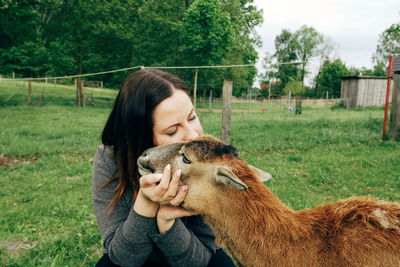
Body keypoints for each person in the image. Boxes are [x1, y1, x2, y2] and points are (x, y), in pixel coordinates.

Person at [92, 69, 235, 267]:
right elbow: (122, 258)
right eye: (172, 130)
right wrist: (146, 203)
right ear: (140, 137)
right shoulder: (109, 161)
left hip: (191, 252)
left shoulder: (206, 162)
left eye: (192, 117)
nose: (193, 135)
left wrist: (168, 224)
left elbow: (202, 257)